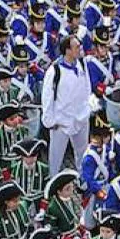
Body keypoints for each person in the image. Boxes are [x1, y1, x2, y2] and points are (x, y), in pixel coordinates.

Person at [41, 36, 93, 179]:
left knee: (82, 153)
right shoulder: (54, 71)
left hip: (81, 117)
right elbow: (47, 97)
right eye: (76, 47)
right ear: (67, 50)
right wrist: (50, 121)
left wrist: (87, 108)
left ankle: (83, 180)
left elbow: (87, 86)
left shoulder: (82, 64)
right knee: (56, 156)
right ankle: (53, 181)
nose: (80, 49)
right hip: (61, 121)